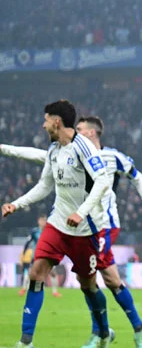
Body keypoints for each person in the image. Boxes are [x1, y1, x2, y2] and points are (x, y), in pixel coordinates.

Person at [4, 116, 142, 347]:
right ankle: (134, 327)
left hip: (104, 226)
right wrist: (4, 149)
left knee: (92, 280)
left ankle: (102, 332)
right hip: (78, 225)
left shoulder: (111, 157)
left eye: (79, 129)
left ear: (91, 133)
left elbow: (138, 176)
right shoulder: (68, 152)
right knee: (108, 280)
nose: (73, 131)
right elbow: (36, 154)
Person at [2, 100, 114, 348]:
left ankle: (104, 332)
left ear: (57, 121)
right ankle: (26, 341)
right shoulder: (54, 150)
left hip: (85, 229)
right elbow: (44, 186)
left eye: (45, 120)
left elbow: (102, 181)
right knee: (36, 273)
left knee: (88, 286)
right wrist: (16, 204)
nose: (43, 126)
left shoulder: (83, 147)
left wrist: (81, 213)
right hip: (57, 223)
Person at [17, 215, 61, 298]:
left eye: (44, 220)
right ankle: (24, 288)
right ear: (38, 221)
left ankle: (55, 292)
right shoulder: (34, 232)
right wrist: (24, 253)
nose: (43, 222)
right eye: (41, 220)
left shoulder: (50, 231)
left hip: (48, 256)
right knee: (31, 273)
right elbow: (27, 243)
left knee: (53, 273)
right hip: (36, 256)